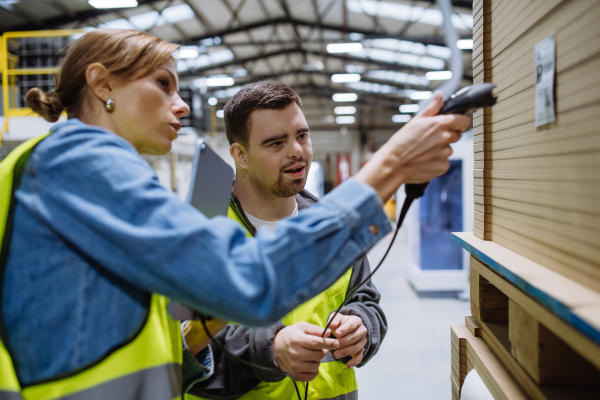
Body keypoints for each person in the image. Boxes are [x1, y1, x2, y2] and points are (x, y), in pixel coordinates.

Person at [0, 29, 470, 399]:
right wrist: (390, 165)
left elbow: (132, 340)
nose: (182, 104)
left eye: (302, 136)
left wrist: (206, 329)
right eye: (163, 84)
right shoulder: (80, 163)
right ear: (102, 84)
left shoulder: (63, 166)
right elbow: (253, 282)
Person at [186, 82, 386, 400]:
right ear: (241, 155)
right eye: (276, 143)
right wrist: (271, 349)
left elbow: (366, 301)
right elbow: (186, 351)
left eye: (301, 135)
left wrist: (362, 326)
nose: (296, 151)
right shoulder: (202, 230)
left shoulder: (333, 224)